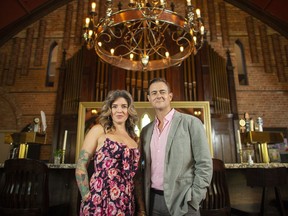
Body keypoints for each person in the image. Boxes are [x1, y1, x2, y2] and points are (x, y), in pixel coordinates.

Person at [136, 78, 213, 216]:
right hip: (152, 201)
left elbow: (205, 164)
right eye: (154, 93)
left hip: (183, 200)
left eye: (162, 92)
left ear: (170, 96)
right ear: (149, 98)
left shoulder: (191, 123)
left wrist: (194, 198)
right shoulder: (146, 131)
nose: (158, 95)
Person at [75, 90, 140, 216]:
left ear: (129, 110)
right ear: (110, 110)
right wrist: (86, 196)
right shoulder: (99, 130)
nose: (119, 110)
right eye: (114, 106)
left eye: (124, 106)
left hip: (126, 200)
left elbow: (136, 176)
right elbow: (81, 165)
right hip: (99, 197)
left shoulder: (134, 139)